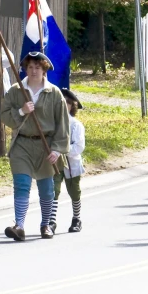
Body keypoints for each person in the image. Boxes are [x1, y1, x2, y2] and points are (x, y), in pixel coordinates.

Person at [0, 52, 70, 242]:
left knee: (46, 189)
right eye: (30, 67)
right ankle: (19, 226)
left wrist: (57, 149)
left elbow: (63, 124)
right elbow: (4, 115)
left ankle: (46, 224)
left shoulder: (54, 93)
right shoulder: (16, 91)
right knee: (21, 184)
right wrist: (22, 111)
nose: (33, 71)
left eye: (37, 67)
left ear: (44, 69)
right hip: (22, 143)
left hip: (46, 146)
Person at [49, 89, 85, 234]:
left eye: (67, 104)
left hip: (71, 164)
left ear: (72, 106)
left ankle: (76, 218)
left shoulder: (76, 125)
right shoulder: (52, 124)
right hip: (56, 163)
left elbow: (78, 146)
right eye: (61, 103)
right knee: (53, 191)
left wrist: (61, 150)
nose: (63, 106)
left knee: (74, 192)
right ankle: (51, 221)